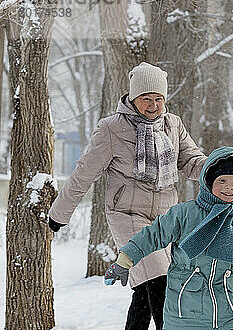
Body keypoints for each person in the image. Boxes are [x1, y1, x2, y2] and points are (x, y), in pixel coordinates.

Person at [48, 62, 208, 330]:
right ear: (133, 97)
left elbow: (191, 160)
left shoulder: (173, 124)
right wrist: (59, 214)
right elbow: (84, 173)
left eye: (158, 98)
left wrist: (216, 169)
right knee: (159, 280)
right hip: (127, 216)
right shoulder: (111, 128)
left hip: (165, 220)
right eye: (146, 98)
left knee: (145, 289)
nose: (153, 105)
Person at [104, 147, 233, 330]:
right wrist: (124, 260)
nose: (229, 187)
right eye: (222, 180)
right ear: (208, 182)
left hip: (231, 313)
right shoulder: (184, 214)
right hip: (185, 313)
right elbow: (153, 235)